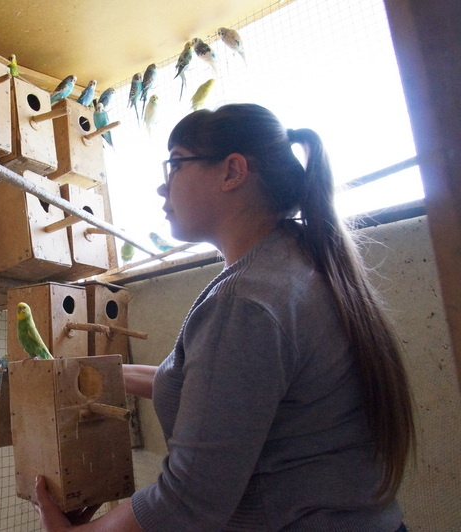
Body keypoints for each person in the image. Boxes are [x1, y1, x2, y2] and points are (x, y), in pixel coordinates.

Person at [33, 103, 415, 531]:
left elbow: (188, 501)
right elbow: (216, 389)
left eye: (176, 164)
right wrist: (86, 374)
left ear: (232, 172)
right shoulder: (296, 262)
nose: (162, 187)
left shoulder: (246, 302)